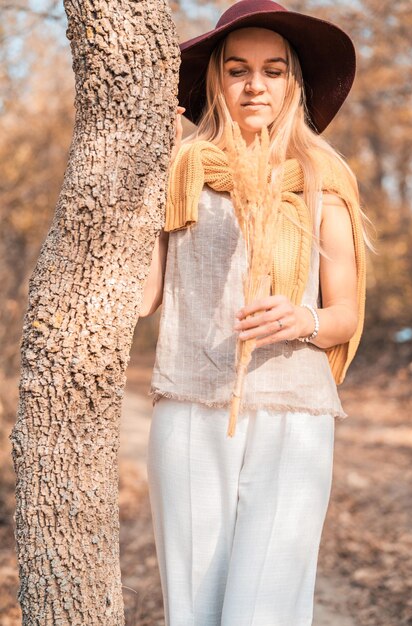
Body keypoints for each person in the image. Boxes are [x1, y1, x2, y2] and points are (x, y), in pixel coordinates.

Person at [139, 1, 371, 624]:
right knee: (193, 608)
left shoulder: (323, 178)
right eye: (237, 69)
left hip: (294, 410)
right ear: (215, 78)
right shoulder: (178, 171)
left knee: (264, 609)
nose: (254, 85)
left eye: (272, 70)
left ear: (293, 80)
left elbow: (346, 312)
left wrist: (306, 321)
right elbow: (144, 297)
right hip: (190, 401)